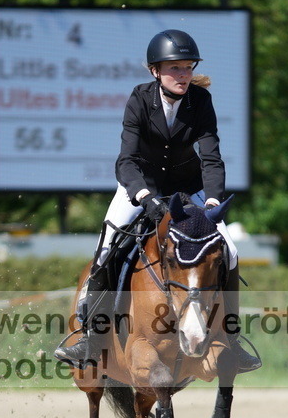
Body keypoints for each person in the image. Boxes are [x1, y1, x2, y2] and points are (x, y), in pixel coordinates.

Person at [55, 28, 261, 373]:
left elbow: (211, 158)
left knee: (230, 250)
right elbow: (126, 160)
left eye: (187, 67)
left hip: (188, 190)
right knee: (107, 248)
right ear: (155, 71)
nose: (183, 75)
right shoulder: (139, 99)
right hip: (141, 188)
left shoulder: (201, 102)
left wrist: (211, 203)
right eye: (175, 68)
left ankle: (231, 338)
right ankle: (92, 336)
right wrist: (145, 196)